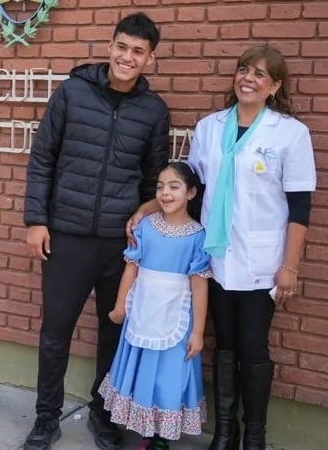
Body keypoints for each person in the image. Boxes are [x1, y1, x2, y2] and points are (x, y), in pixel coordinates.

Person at [131, 45, 316, 450]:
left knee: (252, 346)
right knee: (225, 344)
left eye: (260, 75)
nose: (248, 79)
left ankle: (254, 436)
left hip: (261, 260)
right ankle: (226, 432)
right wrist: (148, 207)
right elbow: (191, 187)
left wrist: (290, 266)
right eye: (243, 70)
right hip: (215, 256)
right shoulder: (210, 127)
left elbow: (300, 207)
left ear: (275, 86)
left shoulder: (290, 134)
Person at [23, 12, 170, 450]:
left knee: (114, 332)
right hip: (65, 236)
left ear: (150, 59)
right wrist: (36, 221)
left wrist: (144, 222)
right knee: (56, 333)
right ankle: (46, 418)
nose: (128, 57)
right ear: (110, 46)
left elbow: (153, 181)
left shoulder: (154, 111)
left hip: (117, 245)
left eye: (138, 52)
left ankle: (103, 415)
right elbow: (42, 158)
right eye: (122, 47)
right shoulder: (71, 92)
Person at [98, 162, 210, 450]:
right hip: (143, 312)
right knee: (144, 372)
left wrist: (197, 332)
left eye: (174, 186)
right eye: (160, 187)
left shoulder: (198, 236)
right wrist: (120, 306)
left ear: (191, 192)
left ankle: (161, 439)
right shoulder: (145, 226)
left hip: (177, 318)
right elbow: (131, 269)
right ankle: (147, 432)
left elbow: (199, 285)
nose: (165, 193)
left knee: (167, 376)